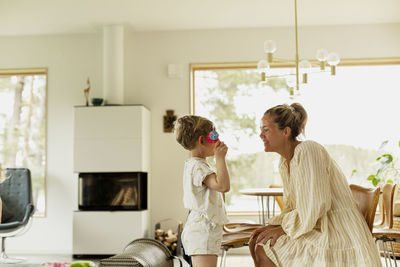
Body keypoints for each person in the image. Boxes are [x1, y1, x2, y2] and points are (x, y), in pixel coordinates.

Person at [249, 103, 382, 267]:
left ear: (286, 131)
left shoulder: (308, 150)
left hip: (334, 229)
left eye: (266, 129)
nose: (260, 135)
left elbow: (317, 204)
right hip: (314, 222)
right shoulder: (284, 163)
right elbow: (294, 206)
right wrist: (277, 225)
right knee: (259, 241)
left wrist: (284, 228)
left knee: (266, 247)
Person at [174, 115, 230, 267]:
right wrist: (220, 158)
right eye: (214, 135)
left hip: (202, 228)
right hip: (203, 230)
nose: (218, 140)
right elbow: (223, 186)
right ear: (201, 140)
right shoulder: (198, 167)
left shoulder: (195, 164)